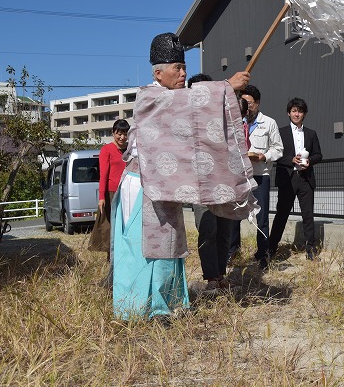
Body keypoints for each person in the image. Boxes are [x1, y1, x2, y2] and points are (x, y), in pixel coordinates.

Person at [111, 33, 250, 320]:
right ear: (158, 72)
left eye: (184, 67)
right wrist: (225, 87)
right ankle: (140, 309)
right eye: (177, 68)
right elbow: (185, 103)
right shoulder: (150, 97)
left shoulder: (173, 98)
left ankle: (166, 304)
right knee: (144, 249)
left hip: (162, 185)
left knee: (169, 243)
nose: (184, 73)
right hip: (142, 187)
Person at [228, 85, 283, 269]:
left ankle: (263, 255)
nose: (245, 106)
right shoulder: (234, 123)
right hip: (238, 177)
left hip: (260, 175)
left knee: (262, 217)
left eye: (249, 103)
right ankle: (232, 251)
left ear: (257, 103)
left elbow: (278, 148)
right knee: (234, 215)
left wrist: (264, 156)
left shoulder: (269, 123)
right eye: (242, 102)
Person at [187, 73, 234, 291]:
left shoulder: (222, 117)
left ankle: (221, 273)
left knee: (225, 230)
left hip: (223, 182)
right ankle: (211, 277)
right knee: (207, 229)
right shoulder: (186, 120)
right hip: (199, 186)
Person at [268, 97, 323, 260]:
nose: (296, 114)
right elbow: (275, 154)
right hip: (287, 178)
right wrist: (290, 160)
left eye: (299, 111)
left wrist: (310, 162)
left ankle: (311, 251)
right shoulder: (280, 132)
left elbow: (319, 155)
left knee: (308, 215)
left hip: (305, 178)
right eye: (293, 111)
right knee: (281, 214)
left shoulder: (311, 134)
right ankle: (271, 249)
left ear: (304, 114)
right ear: (288, 113)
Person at [89, 119, 129, 256]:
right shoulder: (107, 149)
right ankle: (111, 256)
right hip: (112, 193)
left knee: (126, 225)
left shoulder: (130, 150)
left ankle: (125, 255)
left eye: (125, 134)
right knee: (110, 226)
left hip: (128, 192)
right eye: (119, 134)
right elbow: (103, 174)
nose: (122, 137)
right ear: (113, 133)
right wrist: (101, 197)